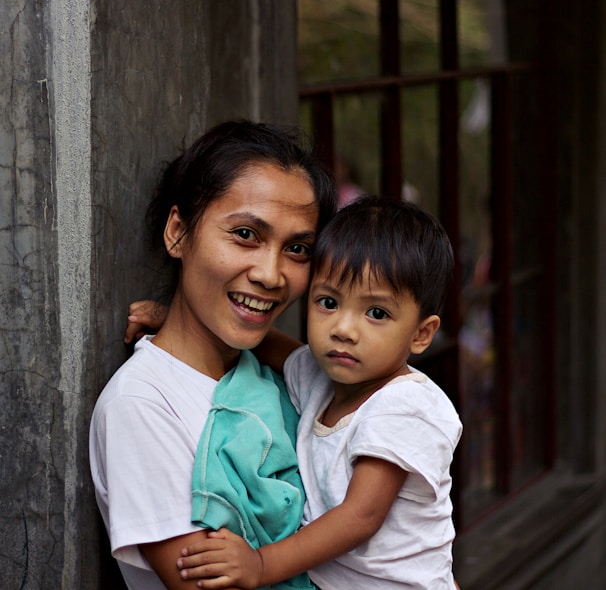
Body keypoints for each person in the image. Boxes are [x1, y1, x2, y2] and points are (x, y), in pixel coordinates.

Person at [163, 196, 462, 589]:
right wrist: (175, 322)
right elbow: (268, 345)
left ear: (422, 334)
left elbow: (360, 517)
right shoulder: (322, 376)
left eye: (376, 313)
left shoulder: (404, 406)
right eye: (328, 302)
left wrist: (260, 565)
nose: (343, 328)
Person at [89, 119, 337, 590]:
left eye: (298, 248)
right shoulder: (142, 407)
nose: (271, 274)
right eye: (245, 234)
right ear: (179, 233)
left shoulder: (280, 375)